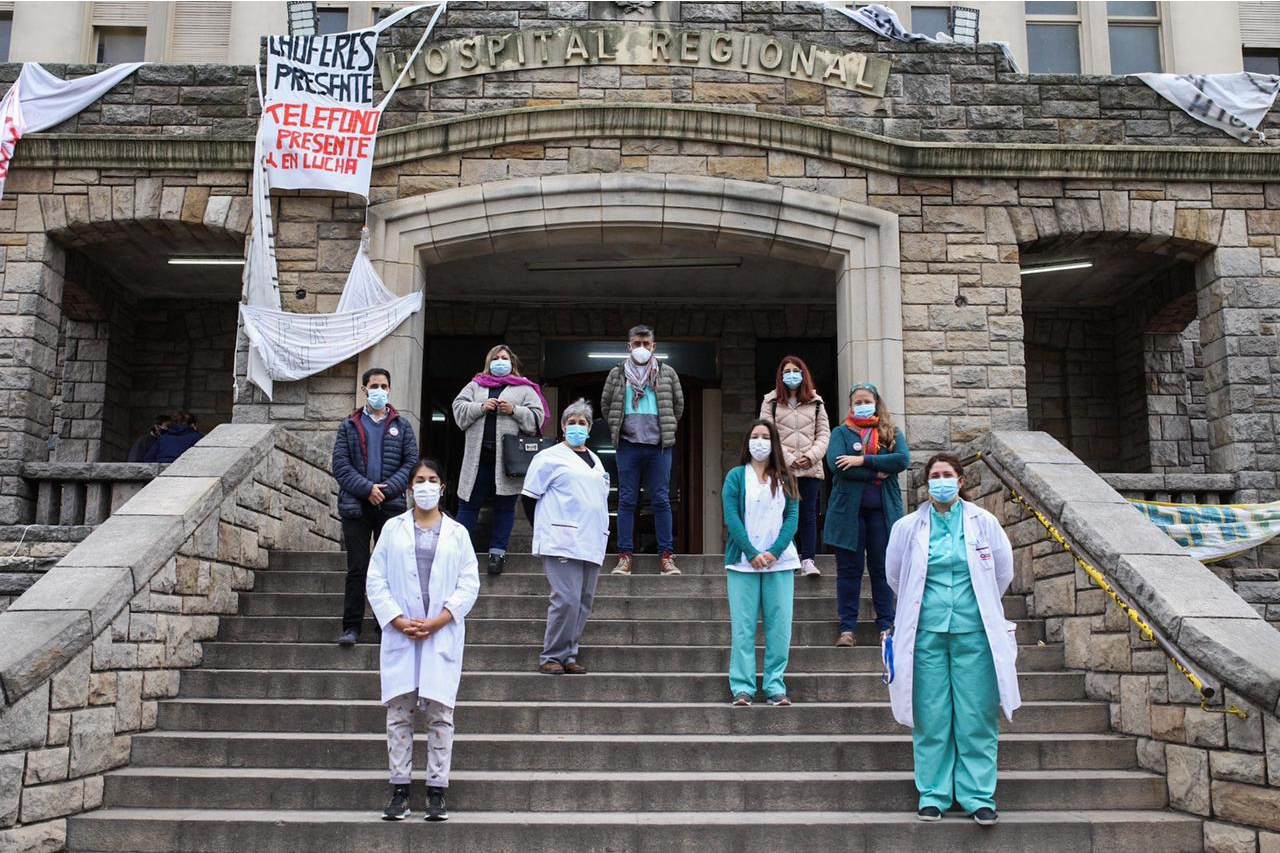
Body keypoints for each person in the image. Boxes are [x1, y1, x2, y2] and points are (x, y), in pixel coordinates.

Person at [885, 453, 1020, 826]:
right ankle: (933, 795)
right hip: (926, 634)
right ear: (927, 483)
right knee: (931, 716)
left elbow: (1002, 571)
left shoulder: (983, 522)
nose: (941, 481)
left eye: (947, 474)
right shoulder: (908, 527)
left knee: (977, 715)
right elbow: (895, 576)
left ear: (961, 481)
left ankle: (978, 796)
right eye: (935, 475)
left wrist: (978, 605)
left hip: (974, 633)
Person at [366, 457, 480, 823]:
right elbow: (376, 579)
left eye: (433, 479)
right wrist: (398, 621)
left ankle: (436, 791)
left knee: (440, 716)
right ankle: (400, 790)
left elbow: (469, 584)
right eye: (420, 480)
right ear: (410, 488)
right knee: (399, 715)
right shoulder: (392, 529)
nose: (426, 485)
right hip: (403, 632)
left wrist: (440, 620)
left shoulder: (458, 533)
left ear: (442, 488)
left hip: (440, 633)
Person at [521, 399, 610, 675]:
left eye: (582, 423)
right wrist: (544, 529)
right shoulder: (548, 457)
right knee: (566, 599)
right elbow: (529, 497)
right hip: (561, 540)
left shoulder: (596, 460)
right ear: (562, 427)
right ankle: (551, 655)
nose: (577, 427)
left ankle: (569, 655)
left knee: (583, 601)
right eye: (571, 422)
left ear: (590, 428)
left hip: (592, 539)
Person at [332, 367, 419, 647]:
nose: (379, 391)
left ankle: (386, 625)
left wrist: (386, 491)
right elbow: (341, 465)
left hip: (390, 508)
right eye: (374, 386)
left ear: (390, 389)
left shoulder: (402, 426)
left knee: (390, 569)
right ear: (364, 390)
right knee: (357, 568)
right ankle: (351, 627)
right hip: (355, 507)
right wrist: (367, 489)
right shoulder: (348, 425)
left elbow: (411, 464)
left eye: (383, 386)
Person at [824, 382, 909, 647]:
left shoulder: (890, 432)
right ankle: (847, 628)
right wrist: (876, 472)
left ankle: (886, 624)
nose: (863, 406)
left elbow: (901, 460)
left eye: (867, 401)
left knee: (883, 568)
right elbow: (837, 464)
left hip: (882, 513)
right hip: (848, 514)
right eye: (858, 402)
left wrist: (862, 460)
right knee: (849, 570)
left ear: (876, 402)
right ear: (850, 406)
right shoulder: (841, 432)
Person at [722, 419, 799, 707]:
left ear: (774, 442)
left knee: (779, 628)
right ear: (747, 442)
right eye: (755, 436)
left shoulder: (785, 476)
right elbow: (731, 515)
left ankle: (775, 685)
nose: (760, 441)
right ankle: (743, 687)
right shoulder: (736, 476)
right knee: (743, 627)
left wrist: (774, 552)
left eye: (765, 436)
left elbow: (792, 517)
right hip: (743, 562)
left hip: (779, 562)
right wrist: (751, 551)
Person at [452, 345, 547, 575]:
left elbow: (538, 418)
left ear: (512, 363)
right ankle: (458, 553)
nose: (500, 361)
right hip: (477, 458)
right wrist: (480, 407)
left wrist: (514, 410)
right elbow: (458, 408)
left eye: (504, 358)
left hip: (507, 460)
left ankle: (497, 553)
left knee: (505, 506)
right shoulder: (476, 385)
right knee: (468, 503)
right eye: (496, 358)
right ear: (489, 362)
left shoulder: (524, 388)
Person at [600, 324, 685, 576]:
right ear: (629, 346)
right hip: (628, 445)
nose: (641, 348)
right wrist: (620, 429)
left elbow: (678, 405)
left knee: (661, 500)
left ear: (653, 346)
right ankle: (625, 556)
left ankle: (666, 556)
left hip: (659, 447)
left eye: (646, 344)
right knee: (627, 500)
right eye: (636, 343)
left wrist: (665, 428)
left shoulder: (667, 373)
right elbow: (606, 405)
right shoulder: (617, 373)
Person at [759, 356, 831, 578]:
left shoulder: (816, 402)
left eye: (796, 370)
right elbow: (766, 433)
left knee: (808, 514)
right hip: (782, 469)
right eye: (787, 371)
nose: (791, 375)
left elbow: (824, 433)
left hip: (810, 468)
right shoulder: (770, 402)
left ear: (803, 374)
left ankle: (808, 559)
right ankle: (785, 556)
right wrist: (788, 459)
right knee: (782, 513)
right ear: (780, 376)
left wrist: (811, 456)